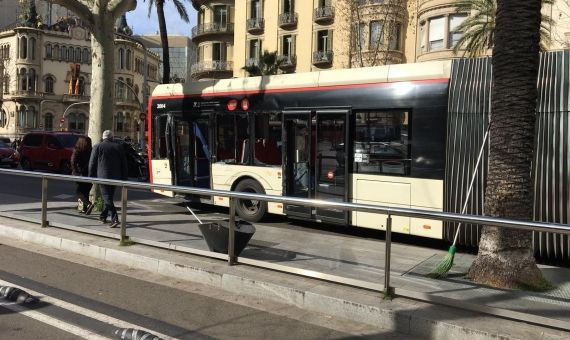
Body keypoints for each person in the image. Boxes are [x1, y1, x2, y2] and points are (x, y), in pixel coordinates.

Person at [89, 130, 128, 228]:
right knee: (109, 197)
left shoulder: (97, 147)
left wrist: (90, 176)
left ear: (103, 137)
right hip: (115, 177)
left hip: (103, 176)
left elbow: (92, 163)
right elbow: (124, 163)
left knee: (107, 197)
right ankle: (103, 216)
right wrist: (124, 177)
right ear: (112, 137)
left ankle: (114, 218)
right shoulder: (118, 147)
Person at [71, 136, 93, 214]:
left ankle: (88, 204)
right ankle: (85, 209)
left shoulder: (77, 150)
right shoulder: (91, 151)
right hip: (89, 174)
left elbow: (73, 161)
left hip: (80, 174)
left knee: (79, 191)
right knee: (86, 191)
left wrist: (75, 171)